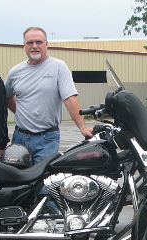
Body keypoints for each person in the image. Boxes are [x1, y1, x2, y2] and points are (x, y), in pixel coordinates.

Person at [5, 26, 93, 165]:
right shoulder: (15, 72)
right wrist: (22, 112)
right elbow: (7, 97)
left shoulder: (58, 67)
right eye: (30, 42)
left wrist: (82, 127)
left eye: (39, 42)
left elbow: (70, 99)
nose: (34, 46)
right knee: (18, 182)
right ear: (24, 46)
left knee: (43, 183)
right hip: (19, 138)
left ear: (47, 44)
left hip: (47, 139)